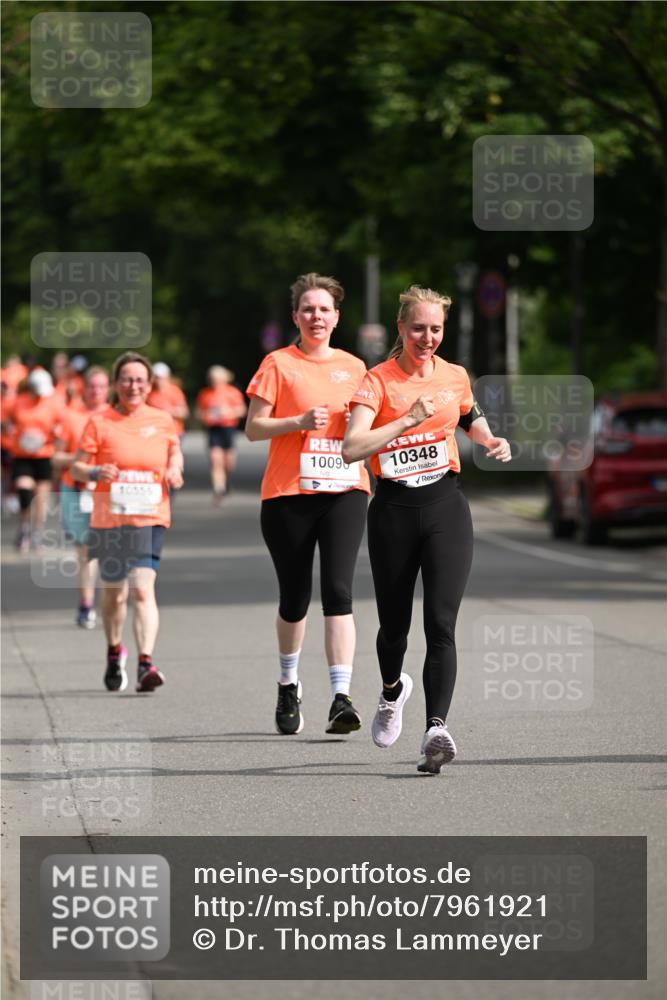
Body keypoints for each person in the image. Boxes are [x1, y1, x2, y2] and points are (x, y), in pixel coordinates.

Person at [343, 285, 511, 774]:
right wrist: (407, 420)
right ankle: (392, 691)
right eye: (418, 328)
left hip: (445, 506)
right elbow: (352, 447)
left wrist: (489, 437)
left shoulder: (455, 376)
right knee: (394, 627)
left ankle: (435, 730)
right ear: (401, 328)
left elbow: (469, 417)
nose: (428, 337)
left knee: (441, 624)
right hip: (393, 509)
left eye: (435, 328)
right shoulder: (376, 382)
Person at [245, 272, 370, 736]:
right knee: (295, 598)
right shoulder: (278, 363)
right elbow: (254, 428)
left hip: (344, 490)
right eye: (308, 309)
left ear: (337, 318)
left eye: (324, 309)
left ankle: (341, 697)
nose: (316, 316)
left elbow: (377, 424)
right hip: (288, 493)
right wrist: (296, 420)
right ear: (296, 317)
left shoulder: (357, 369)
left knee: (338, 592)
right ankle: (288, 682)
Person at [71, 352, 184, 693]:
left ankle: (145, 663)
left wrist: (175, 467)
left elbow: (173, 451)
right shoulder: (99, 421)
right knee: (113, 596)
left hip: (149, 517)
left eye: (140, 380)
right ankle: (113, 650)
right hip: (109, 519)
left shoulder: (162, 420)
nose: (133, 386)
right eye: (126, 379)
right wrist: (94, 471)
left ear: (149, 385)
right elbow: (77, 466)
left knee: (141, 586)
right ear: (116, 384)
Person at [53, 366, 110, 628]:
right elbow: (55, 457)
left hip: (108, 491)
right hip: (76, 488)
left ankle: (113, 600)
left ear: (108, 388)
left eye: (101, 386)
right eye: (92, 386)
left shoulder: (116, 417)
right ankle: (86, 604)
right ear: (83, 388)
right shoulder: (70, 417)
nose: (96, 391)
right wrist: (82, 463)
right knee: (85, 549)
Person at [6, 369, 64, 551]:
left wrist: (56, 436)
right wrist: (11, 433)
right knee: (24, 491)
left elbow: (61, 427)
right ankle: (24, 527)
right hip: (22, 456)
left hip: (43, 455)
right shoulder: (18, 402)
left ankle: (37, 532)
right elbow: (7, 421)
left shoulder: (52, 404)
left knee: (40, 498)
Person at [195, 365, 247, 502]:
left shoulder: (232, 392)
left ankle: (226, 480)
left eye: (217, 378)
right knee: (215, 459)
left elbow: (242, 410)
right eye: (212, 379)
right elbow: (198, 412)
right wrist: (206, 415)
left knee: (228, 462)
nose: (214, 381)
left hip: (228, 428)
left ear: (225, 379)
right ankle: (219, 488)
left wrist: (229, 412)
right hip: (213, 429)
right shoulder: (205, 393)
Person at [148, 362, 190, 437]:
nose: (158, 380)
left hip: (174, 432)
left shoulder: (175, 391)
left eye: (161, 377)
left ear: (167, 377)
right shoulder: (149, 392)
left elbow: (184, 413)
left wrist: (169, 411)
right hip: (155, 432)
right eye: (156, 377)